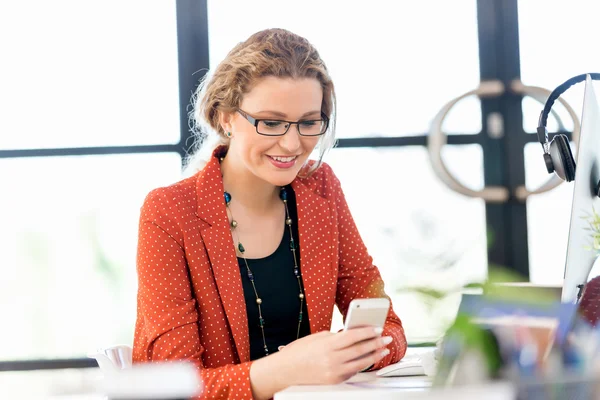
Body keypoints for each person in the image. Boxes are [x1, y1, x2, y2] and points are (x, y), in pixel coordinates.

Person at [132, 28, 407, 400]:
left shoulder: (321, 188)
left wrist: (349, 355)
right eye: (271, 123)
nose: (293, 144)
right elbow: (170, 384)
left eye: (309, 122)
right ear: (225, 117)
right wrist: (286, 371)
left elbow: (389, 326)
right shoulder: (170, 212)